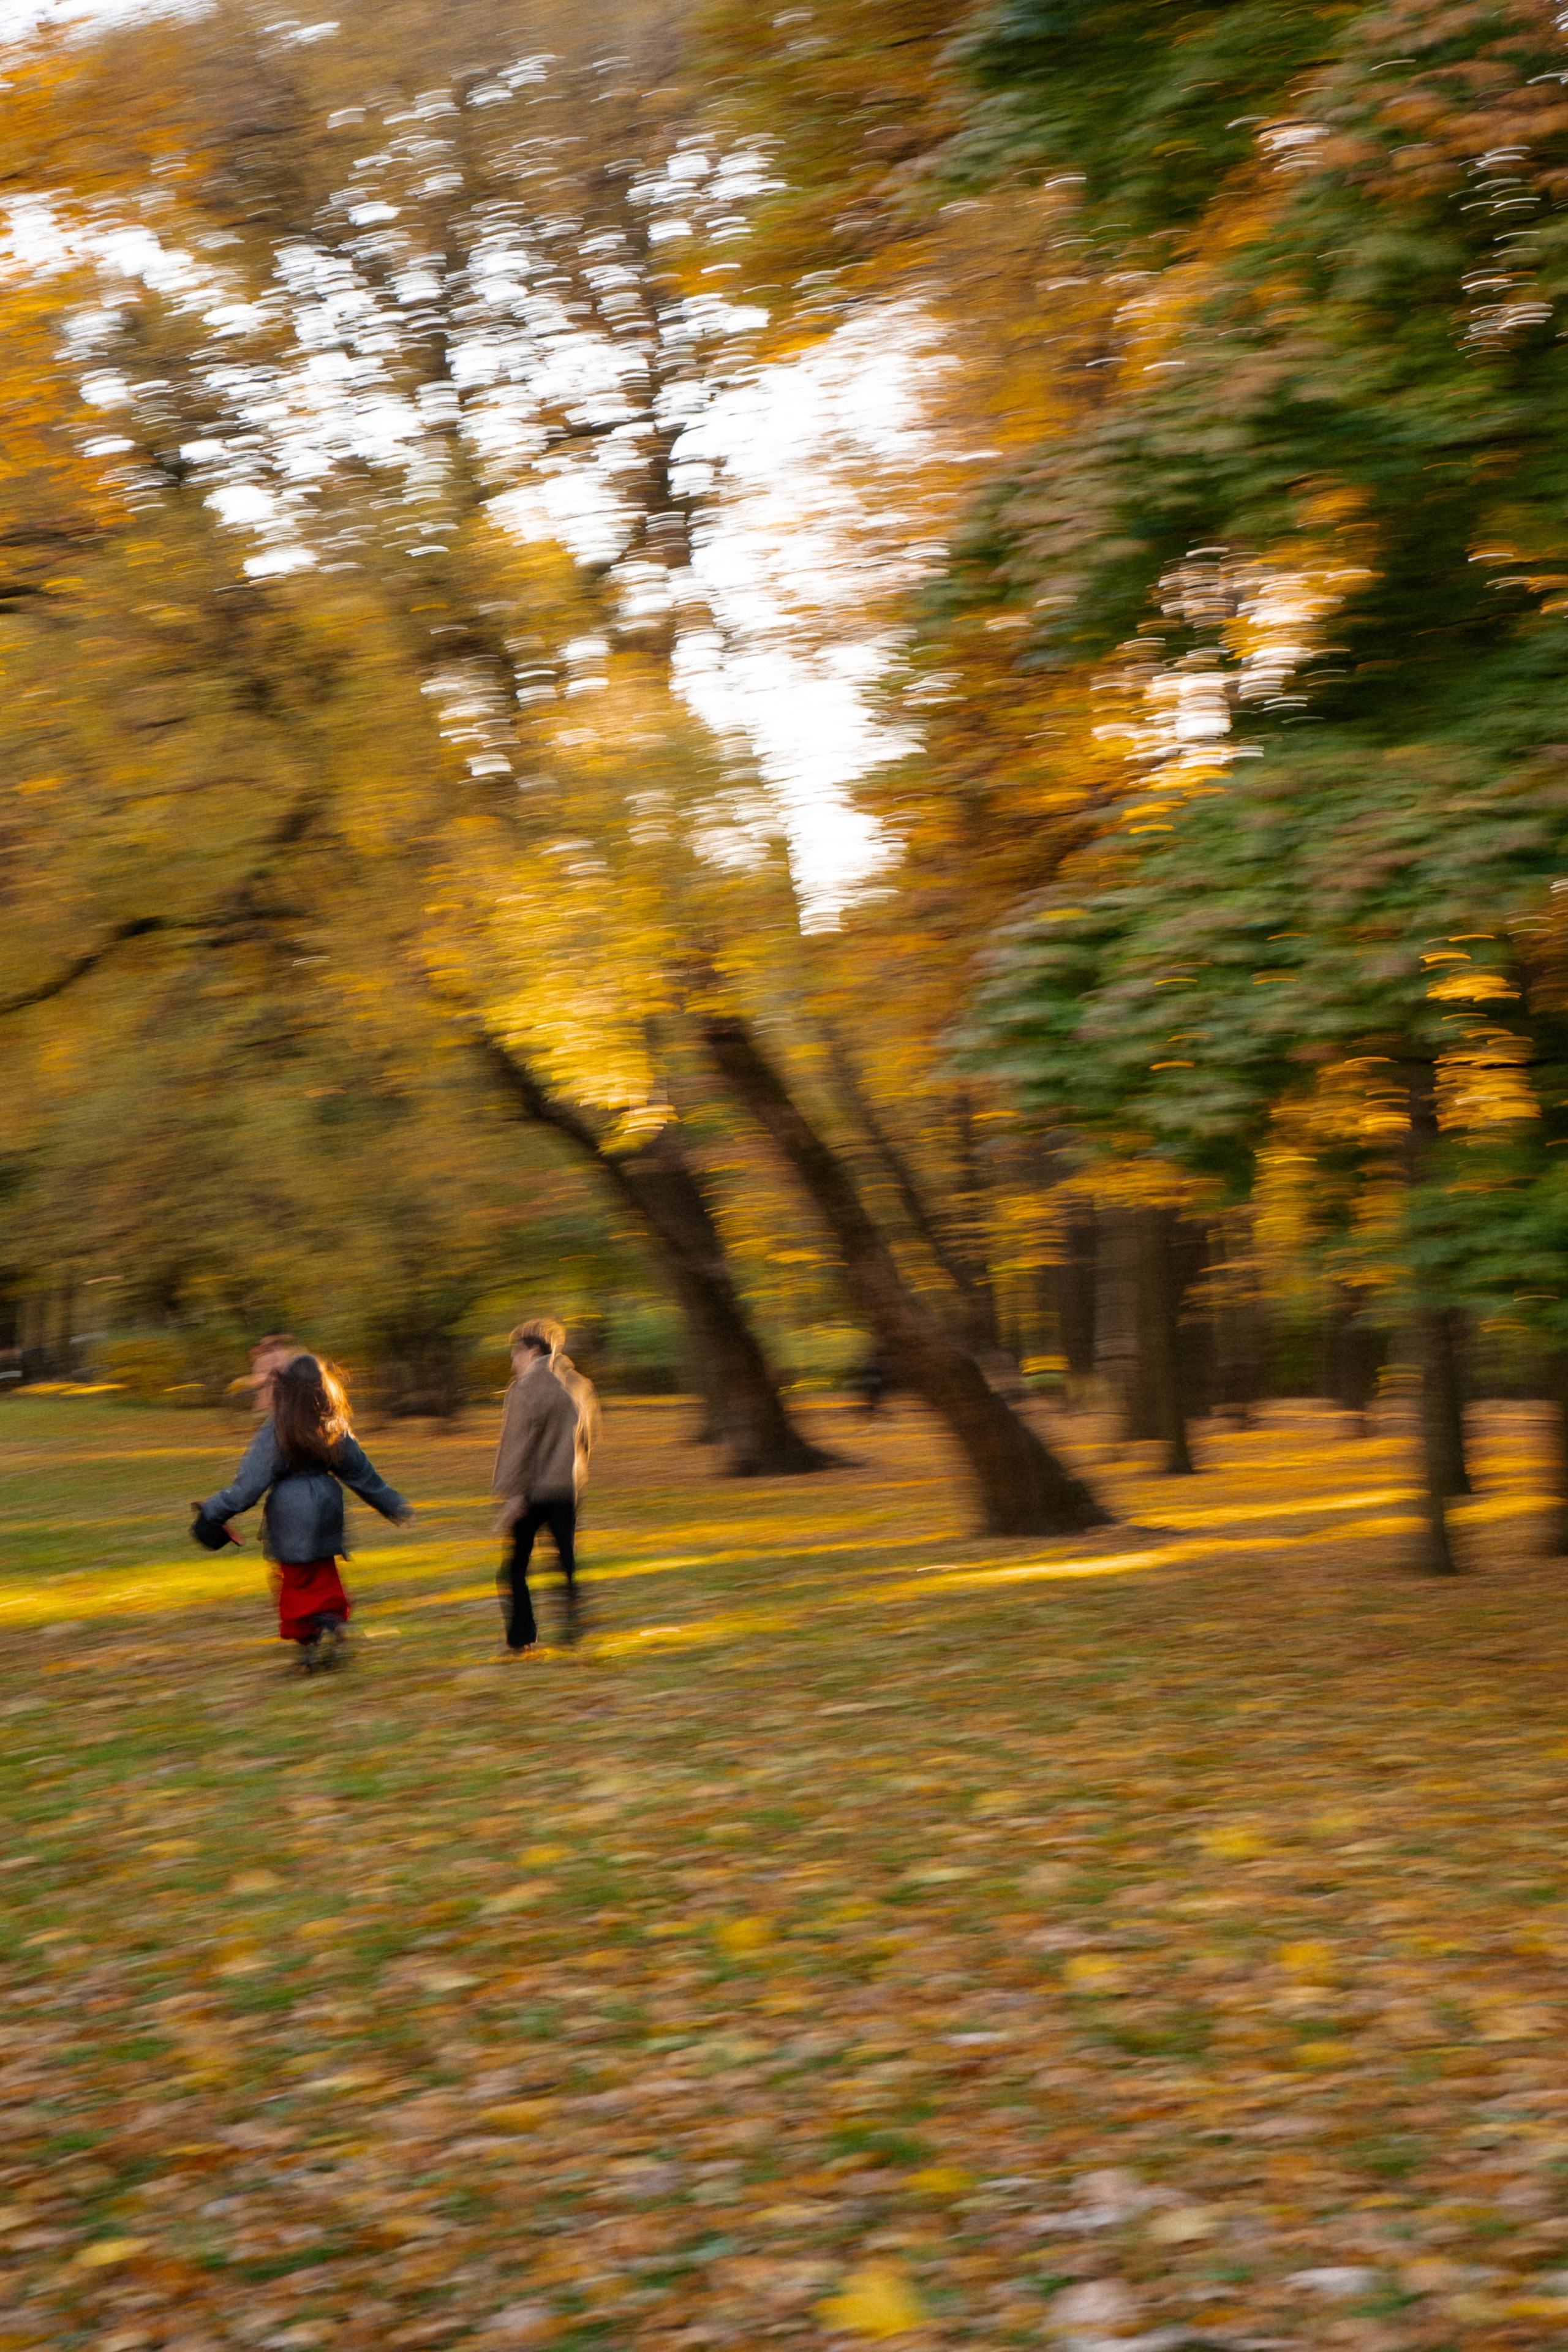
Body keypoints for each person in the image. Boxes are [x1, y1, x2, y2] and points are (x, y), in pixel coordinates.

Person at [192, 1354, 412, 1671]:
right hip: (327, 1507)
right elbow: (361, 1473)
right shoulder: (333, 1423)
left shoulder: (277, 1428)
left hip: (290, 1510)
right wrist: (393, 1503)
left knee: (295, 1582)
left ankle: (311, 1646)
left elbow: (249, 1485)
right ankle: (331, 1623)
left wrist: (213, 1511)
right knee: (322, 1574)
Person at [492, 1317, 597, 1654]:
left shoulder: (526, 1388)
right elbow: (587, 1437)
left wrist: (514, 1494)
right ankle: (574, 1632)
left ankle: (522, 1639)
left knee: (513, 1571)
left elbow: (518, 1445)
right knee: (565, 1562)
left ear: (533, 1350)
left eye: (516, 1352)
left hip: (535, 1491)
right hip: (567, 1487)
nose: (512, 1360)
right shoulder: (577, 1385)